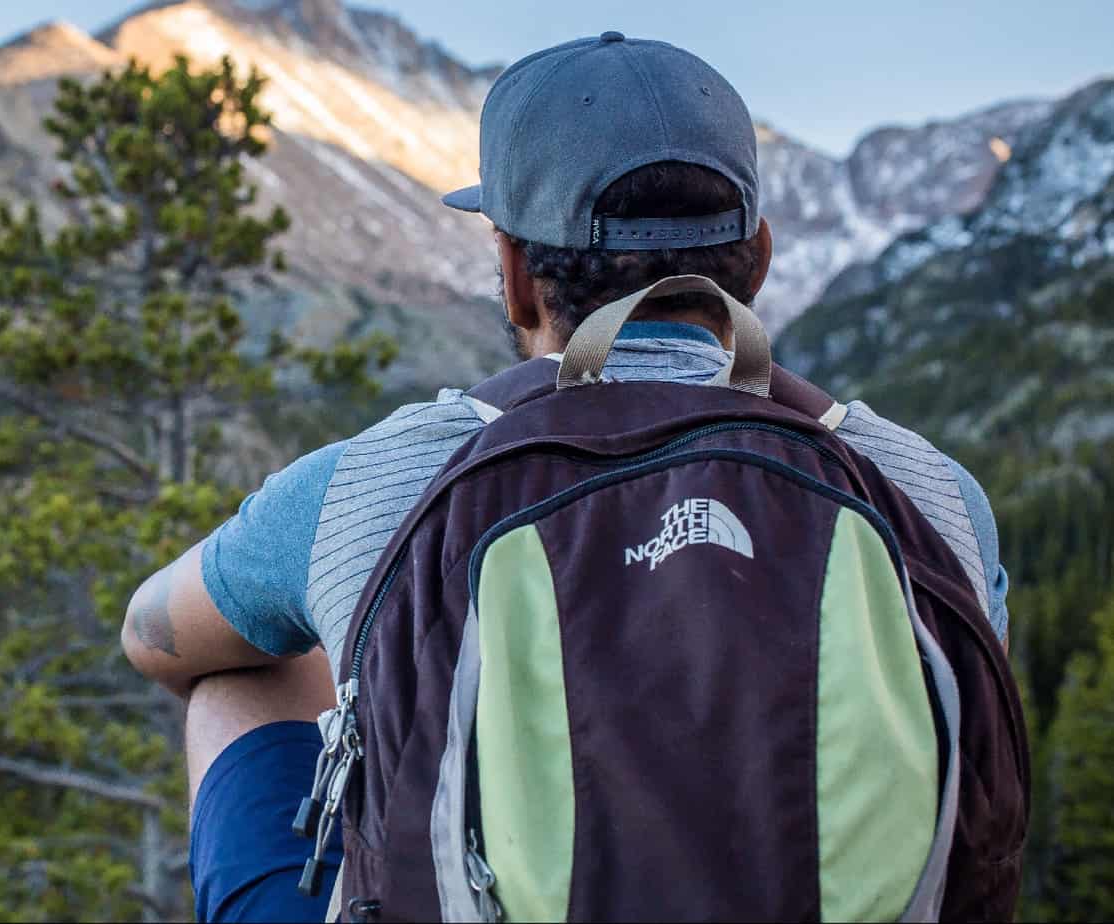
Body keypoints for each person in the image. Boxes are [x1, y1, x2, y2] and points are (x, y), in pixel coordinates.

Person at [121, 31, 1010, 923]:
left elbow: (155, 634)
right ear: (760, 258)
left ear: (514, 276)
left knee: (238, 676)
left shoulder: (380, 477)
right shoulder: (928, 492)